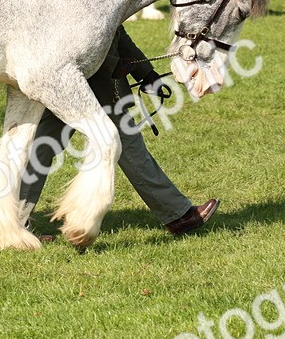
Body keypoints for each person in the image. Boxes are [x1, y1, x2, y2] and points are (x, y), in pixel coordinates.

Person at [19, 26, 219, 237]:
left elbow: (116, 31)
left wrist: (146, 72)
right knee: (130, 148)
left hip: (79, 82)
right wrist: (112, 66)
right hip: (88, 82)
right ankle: (179, 216)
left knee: (40, 148)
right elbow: (74, 34)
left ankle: (13, 223)